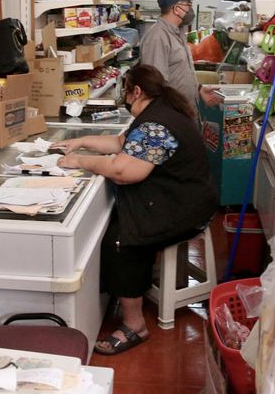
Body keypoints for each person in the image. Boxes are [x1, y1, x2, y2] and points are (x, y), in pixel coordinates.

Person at [52, 66, 218, 355]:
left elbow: (123, 171)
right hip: (184, 195)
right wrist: (79, 141)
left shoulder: (156, 125)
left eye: (125, 90)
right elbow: (120, 143)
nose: (123, 96)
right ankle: (123, 291)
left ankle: (135, 325)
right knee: (121, 220)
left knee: (121, 240)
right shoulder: (161, 110)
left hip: (185, 207)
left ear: (136, 91)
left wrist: (80, 160)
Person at [141, 0, 222, 113]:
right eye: (188, 4)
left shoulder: (178, 32)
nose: (191, 9)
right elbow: (154, 86)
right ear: (176, 9)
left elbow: (179, 73)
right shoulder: (157, 38)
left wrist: (198, 89)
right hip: (172, 115)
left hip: (185, 111)